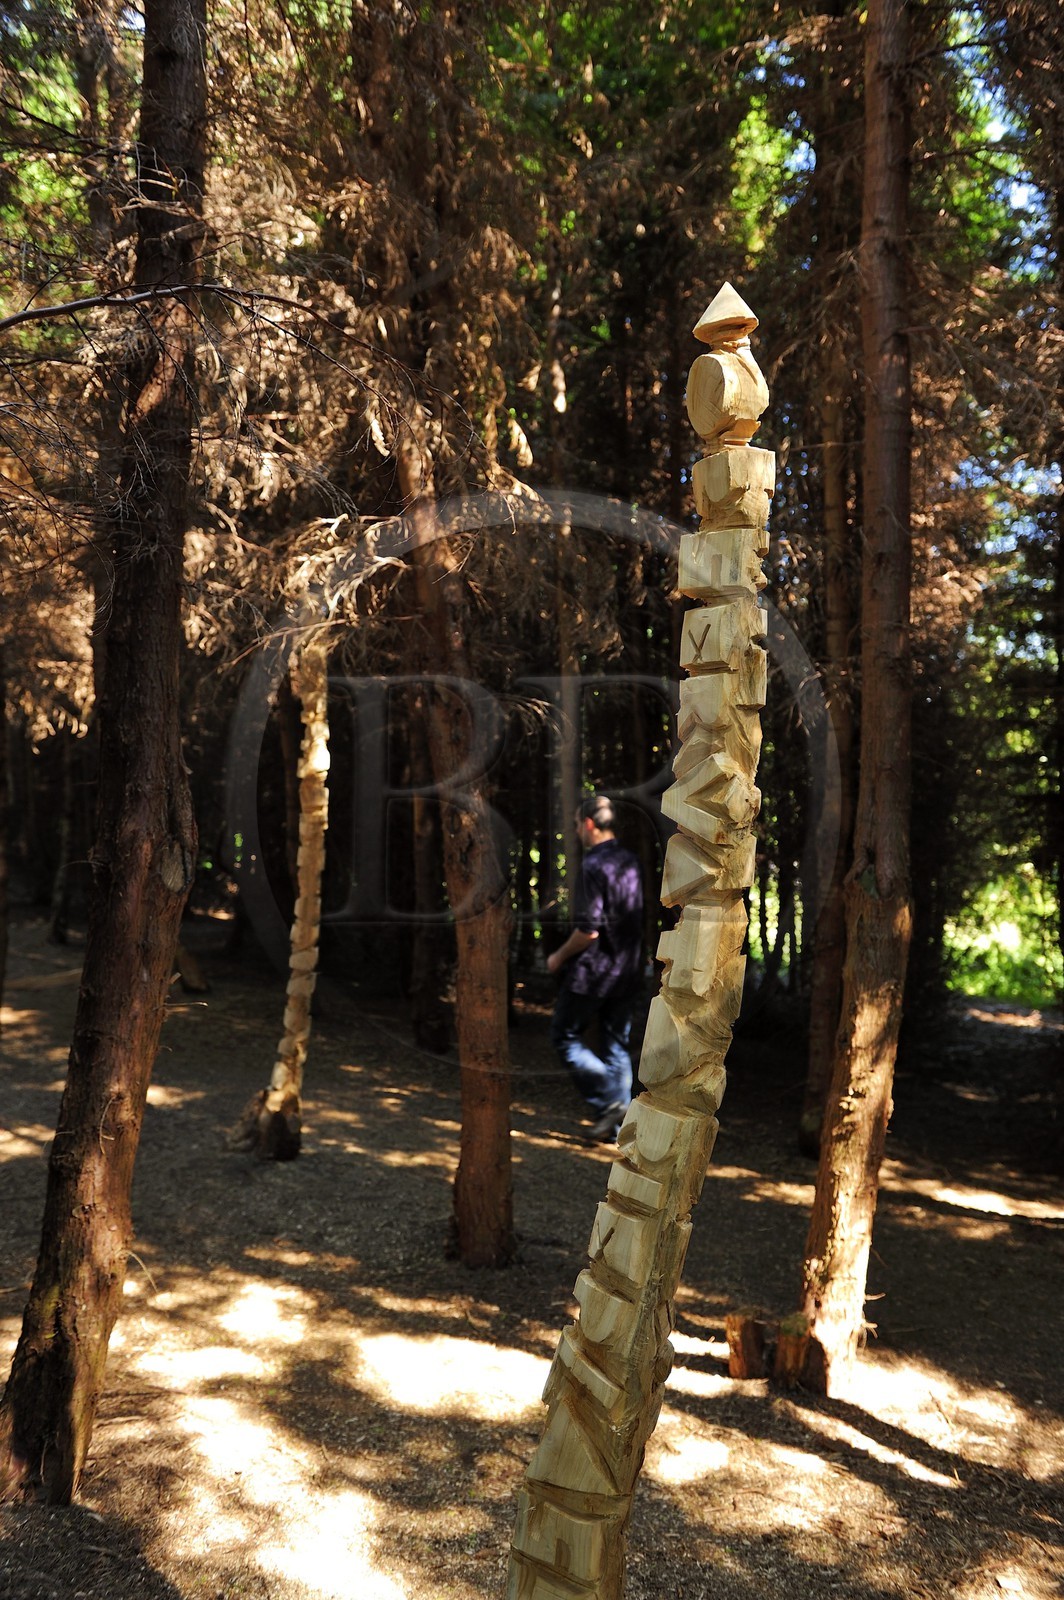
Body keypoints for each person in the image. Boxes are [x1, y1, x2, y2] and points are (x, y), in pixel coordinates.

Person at [547, 793, 644, 1142]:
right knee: (616, 1045)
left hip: (595, 971)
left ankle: (611, 1102)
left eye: (576, 824)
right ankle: (620, 1130)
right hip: (628, 969)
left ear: (588, 824)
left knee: (564, 1035)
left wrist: (558, 956)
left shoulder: (593, 864)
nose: (576, 831)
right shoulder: (631, 860)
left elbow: (589, 929)